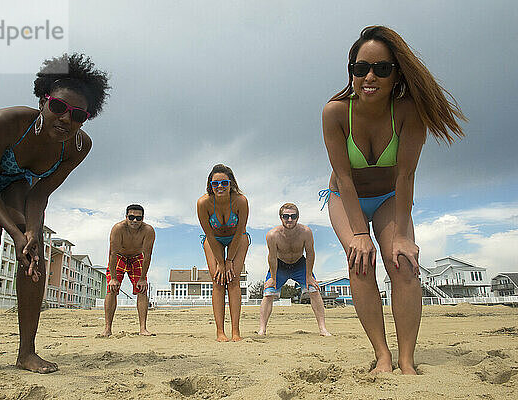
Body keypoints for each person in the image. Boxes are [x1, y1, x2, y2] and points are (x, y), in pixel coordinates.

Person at [0, 54, 110, 382]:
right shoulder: (6, 121)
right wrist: (15, 234)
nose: (65, 119)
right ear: (43, 100)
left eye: (77, 115)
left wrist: (30, 233)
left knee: (34, 252)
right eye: (58, 107)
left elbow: (39, 194)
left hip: (20, 183)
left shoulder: (77, 146)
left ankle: (26, 352)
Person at [321, 26, 465, 374]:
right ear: (351, 71)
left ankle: (406, 359)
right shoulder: (335, 113)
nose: (369, 76)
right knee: (360, 260)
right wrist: (358, 234)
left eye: (381, 69)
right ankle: (382, 355)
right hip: (346, 197)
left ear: (396, 73)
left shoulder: (409, 113)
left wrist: (401, 234)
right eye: (360, 68)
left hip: (390, 196)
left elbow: (405, 176)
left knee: (401, 262)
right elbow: (343, 178)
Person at [257, 203, 331, 336]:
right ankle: (262, 329)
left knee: (314, 290)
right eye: (286, 216)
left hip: (299, 264)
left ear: (298, 217)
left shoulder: (306, 232)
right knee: (268, 293)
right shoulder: (272, 235)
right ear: (281, 218)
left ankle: (323, 328)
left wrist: (309, 276)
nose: (289, 219)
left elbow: (310, 253)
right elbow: (272, 258)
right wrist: (273, 278)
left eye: (293, 216)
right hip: (280, 266)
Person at [197, 164, 250, 342]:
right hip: (214, 241)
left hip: (238, 239)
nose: (220, 187)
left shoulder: (240, 201)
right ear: (210, 185)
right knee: (218, 280)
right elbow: (209, 235)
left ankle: (236, 331)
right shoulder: (203, 203)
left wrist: (229, 261)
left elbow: (240, 232)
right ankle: (220, 331)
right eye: (215, 183)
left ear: (231, 184)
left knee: (233, 279)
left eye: (224, 183)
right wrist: (220, 262)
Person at [102, 204, 156, 337]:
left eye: (139, 218)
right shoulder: (118, 228)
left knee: (142, 290)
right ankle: (107, 328)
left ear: (143, 218)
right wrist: (113, 278)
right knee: (111, 289)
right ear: (126, 217)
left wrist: (142, 278)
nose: (135, 221)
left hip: (137, 257)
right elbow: (113, 253)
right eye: (131, 217)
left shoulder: (148, 230)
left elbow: (148, 255)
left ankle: (143, 328)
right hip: (119, 256)